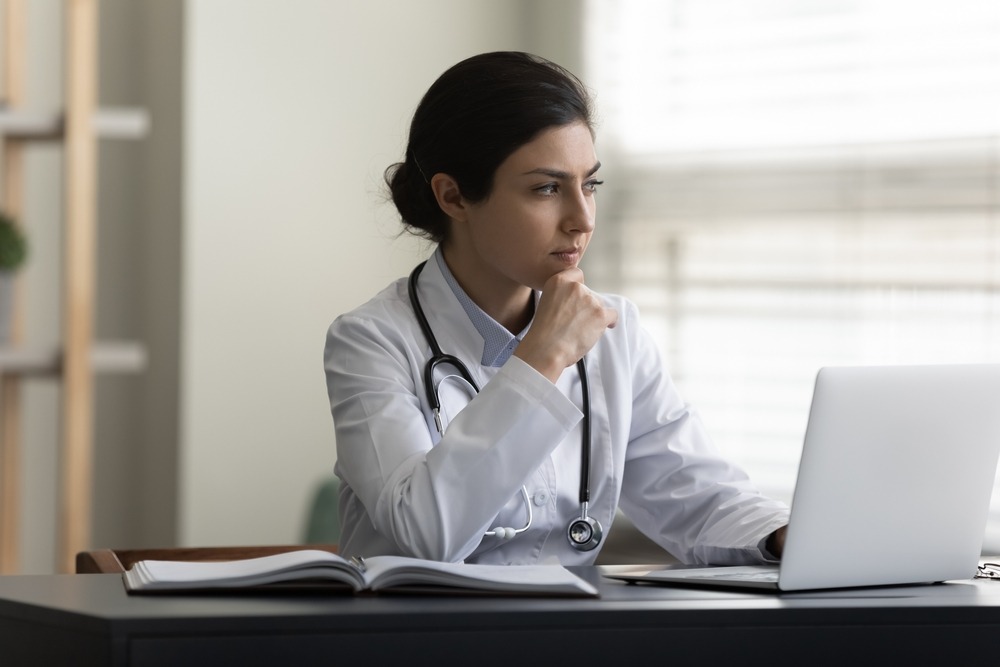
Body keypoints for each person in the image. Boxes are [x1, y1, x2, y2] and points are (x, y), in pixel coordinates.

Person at [324, 51, 789, 565]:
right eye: (546, 188)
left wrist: (782, 536)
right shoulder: (369, 340)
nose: (582, 218)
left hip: (570, 640)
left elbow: (695, 498)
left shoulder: (616, 330)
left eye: (589, 183)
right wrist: (542, 358)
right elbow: (425, 532)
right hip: (422, 641)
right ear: (453, 197)